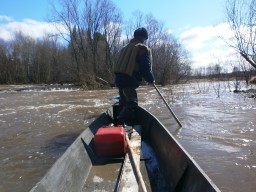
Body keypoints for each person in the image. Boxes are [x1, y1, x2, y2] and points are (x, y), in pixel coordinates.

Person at [114, 27, 155, 125]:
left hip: (118, 80)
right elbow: (145, 67)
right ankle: (122, 123)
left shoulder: (124, 48)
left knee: (123, 101)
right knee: (132, 104)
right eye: (145, 39)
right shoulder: (142, 48)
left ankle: (120, 122)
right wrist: (151, 79)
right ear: (143, 38)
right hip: (129, 80)